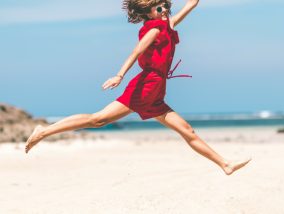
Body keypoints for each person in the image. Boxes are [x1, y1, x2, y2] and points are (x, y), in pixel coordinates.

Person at [25, 0, 251, 175]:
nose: (163, 10)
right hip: (146, 85)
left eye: (164, 5)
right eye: (157, 8)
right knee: (98, 119)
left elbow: (192, 4)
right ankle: (43, 131)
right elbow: (136, 52)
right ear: (147, 13)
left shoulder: (166, 25)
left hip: (156, 89)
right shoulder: (153, 29)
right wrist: (119, 75)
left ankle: (225, 164)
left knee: (187, 131)